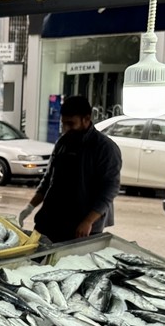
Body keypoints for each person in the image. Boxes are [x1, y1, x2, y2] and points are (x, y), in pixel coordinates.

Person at [18, 95, 121, 243]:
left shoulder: (105, 148)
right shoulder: (63, 143)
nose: (66, 128)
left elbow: (110, 190)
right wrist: (29, 208)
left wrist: (88, 221)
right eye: (64, 124)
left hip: (82, 228)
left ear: (86, 119)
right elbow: (48, 180)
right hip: (51, 220)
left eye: (71, 123)